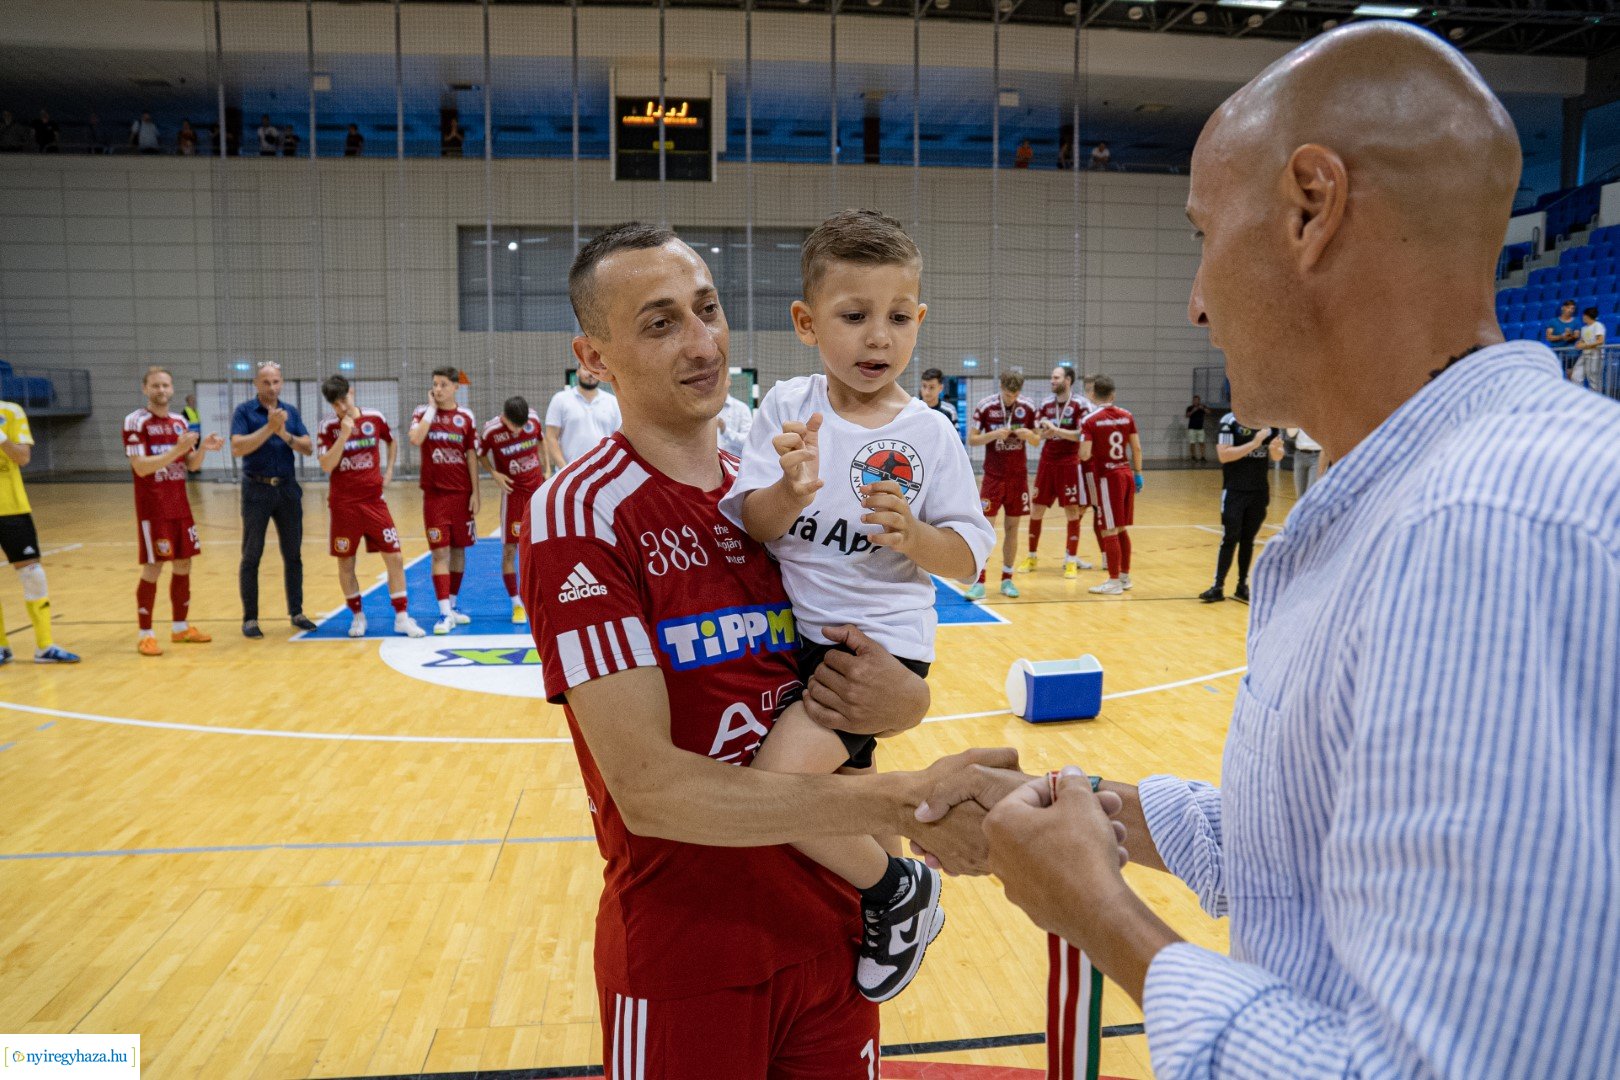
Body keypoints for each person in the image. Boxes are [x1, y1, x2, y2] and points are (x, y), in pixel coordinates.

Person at [929, 24, 1620, 1080]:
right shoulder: (1423, 499)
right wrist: (1098, 812)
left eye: (1205, 233)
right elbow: (1324, 855)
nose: (1197, 298)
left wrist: (1101, 915)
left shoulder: (1477, 529)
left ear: (1310, 207)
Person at [522, 220, 1010, 1075]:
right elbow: (651, 792)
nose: (702, 341)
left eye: (707, 309)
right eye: (659, 321)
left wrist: (910, 699)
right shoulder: (583, 511)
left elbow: (858, 638)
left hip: (838, 936)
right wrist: (903, 802)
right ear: (592, 359)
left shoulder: (784, 471)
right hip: (693, 954)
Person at [722, 209, 996, 1003]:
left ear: (920, 320)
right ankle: (896, 877)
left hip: (877, 654)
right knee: (846, 798)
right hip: (797, 646)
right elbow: (754, 522)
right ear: (807, 323)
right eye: (855, 316)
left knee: (779, 794)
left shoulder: (931, 434)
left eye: (899, 317)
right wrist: (788, 489)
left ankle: (897, 894)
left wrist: (916, 537)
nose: (879, 337)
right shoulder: (786, 408)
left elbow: (974, 559)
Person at [124, 367, 225, 655]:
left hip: (179, 503)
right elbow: (141, 467)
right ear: (145, 389)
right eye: (155, 385)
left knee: (184, 564)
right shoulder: (135, 421)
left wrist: (202, 448)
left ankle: (180, 628)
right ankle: (146, 633)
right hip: (152, 507)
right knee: (154, 567)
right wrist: (175, 450)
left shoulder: (180, 421)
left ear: (172, 388)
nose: (161, 390)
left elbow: (191, 465)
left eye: (166, 385)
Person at [316, 376, 425, 639]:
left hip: (374, 502)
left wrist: (388, 471)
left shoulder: (374, 417)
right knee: (346, 562)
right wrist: (343, 435)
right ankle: (357, 616)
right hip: (344, 506)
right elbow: (326, 465)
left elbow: (392, 440)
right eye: (335, 404)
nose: (341, 407)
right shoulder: (327, 427)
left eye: (343, 400)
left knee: (395, 557)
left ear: (351, 393)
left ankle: (401, 617)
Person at [230, 362, 314, 638]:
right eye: (266, 382)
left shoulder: (290, 411)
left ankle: (297, 612)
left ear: (282, 382)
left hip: (287, 489)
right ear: (256, 384)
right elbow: (237, 447)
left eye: (276, 381)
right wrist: (269, 428)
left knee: (294, 554)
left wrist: (284, 433)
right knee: (251, 554)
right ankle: (250, 618)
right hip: (257, 490)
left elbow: (307, 447)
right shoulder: (244, 412)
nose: (272, 387)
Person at [0, 399, 79, 664]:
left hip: (12, 508)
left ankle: (44, 647)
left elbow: (23, 457)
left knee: (33, 575)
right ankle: (2, 647)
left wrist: (1, 438)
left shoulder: (10, 412)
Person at [408, 367, 479, 634]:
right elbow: (416, 438)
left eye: (443, 385)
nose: (438, 389)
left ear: (454, 388)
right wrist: (430, 409)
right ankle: (443, 613)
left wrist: (476, 492)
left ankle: (453, 605)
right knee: (440, 552)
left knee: (459, 550)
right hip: (435, 496)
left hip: (461, 495)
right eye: (435, 384)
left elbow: (471, 454)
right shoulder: (421, 413)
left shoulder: (465, 417)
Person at [966, 371, 1040, 599]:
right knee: (986, 528)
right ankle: (979, 581)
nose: (1011, 398)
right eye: (1008, 394)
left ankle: (1007, 580)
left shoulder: (1028, 407)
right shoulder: (986, 406)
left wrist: (1029, 434)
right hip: (993, 477)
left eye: (1015, 394)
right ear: (1000, 388)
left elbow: (1037, 439)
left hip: (1017, 477)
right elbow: (972, 438)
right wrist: (993, 434)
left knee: (1012, 528)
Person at [1199, 413, 1281, 603]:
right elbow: (1224, 455)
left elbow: (1276, 456)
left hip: (1259, 491)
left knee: (1248, 539)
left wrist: (1277, 450)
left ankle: (1242, 585)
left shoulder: (1269, 422)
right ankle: (1218, 586)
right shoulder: (1230, 422)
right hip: (1235, 490)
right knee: (1230, 537)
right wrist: (1254, 443)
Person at [479, 396, 545, 624]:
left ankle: (544, 598)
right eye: (514, 426)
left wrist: (545, 470)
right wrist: (494, 473)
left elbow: (541, 441)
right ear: (504, 418)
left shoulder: (533, 420)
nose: (518, 431)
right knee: (510, 551)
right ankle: (516, 603)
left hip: (537, 492)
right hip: (513, 497)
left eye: (521, 426)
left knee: (544, 547)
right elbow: (479, 454)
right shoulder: (490, 431)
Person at [1023, 365, 1092, 577]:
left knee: (1072, 511)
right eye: (1052, 377)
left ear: (1068, 380)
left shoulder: (1081, 405)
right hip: (1047, 463)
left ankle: (1070, 560)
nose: (1052, 381)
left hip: (1069, 464)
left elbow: (1082, 434)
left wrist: (1056, 431)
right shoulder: (1045, 404)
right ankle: (1032, 557)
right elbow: (1037, 436)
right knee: (1037, 511)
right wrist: (1042, 432)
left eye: (1056, 377)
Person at [1078, 375, 1141, 594]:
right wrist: (1139, 473)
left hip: (1108, 477)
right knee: (1121, 527)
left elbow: (1084, 454)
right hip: (1126, 473)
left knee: (1109, 529)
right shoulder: (1127, 415)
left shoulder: (1089, 420)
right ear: (1113, 394)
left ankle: (1113, 581)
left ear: (1093, 394)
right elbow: (1136, 448)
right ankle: (1124, 577)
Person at [544, 369, 621, 470]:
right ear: (577, 372)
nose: (590, 373)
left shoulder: (613, 401)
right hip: (568, 474)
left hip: (603, 474)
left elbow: (618, 439)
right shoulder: (560, 399)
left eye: (594, 370)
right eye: (586, 369)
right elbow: (551, 437)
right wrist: (565, 470)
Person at [1574, 305, 1606, 390]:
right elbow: (1583, 340)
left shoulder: (1598, 325)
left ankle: (1596, 400)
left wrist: (1585, 345)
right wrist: (1579, 343)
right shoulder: (1584, 328)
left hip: (1595, 355)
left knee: (1593, 379)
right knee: (1576, 376)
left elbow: (1600, 340)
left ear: (1587, 316)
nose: (1583, 317)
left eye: (1584, 315)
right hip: (1585, 354)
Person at [1287, 426, 1322, 497]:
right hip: (1299, 455)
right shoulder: (1299, 415)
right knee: (1300, 496)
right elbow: (1290, 434)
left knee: (1311, 494)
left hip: (1317, 456)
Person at [1184, 394, 1208, 463]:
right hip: (1192, 428)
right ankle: (1193, 456)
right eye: (1194, 400)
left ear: (1199, 401)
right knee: (1192, 442)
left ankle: (1203, 456)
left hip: (1200, 428)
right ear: (1193, 401)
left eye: (1197, 400)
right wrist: (1193, 410)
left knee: (1202, 442)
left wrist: (1202, 408)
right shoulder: (1190, 408)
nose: (1195, 401)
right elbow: (1187, 415)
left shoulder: (1202, 407)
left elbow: (1209, 412)